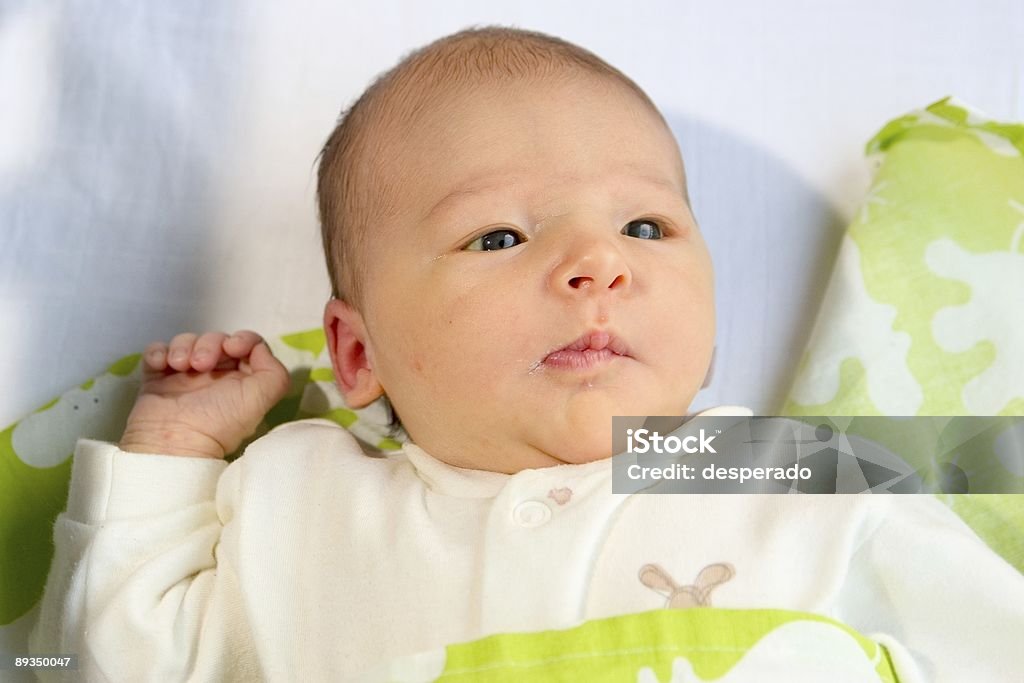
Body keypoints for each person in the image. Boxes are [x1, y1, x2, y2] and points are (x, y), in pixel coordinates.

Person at [30, 26, 1024, 681]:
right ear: (358, 351)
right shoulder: (294, 495)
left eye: (646, 226)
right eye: (499, 238)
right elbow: (102, 660)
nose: (596, 262)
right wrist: (171, 450)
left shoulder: (784, 467)